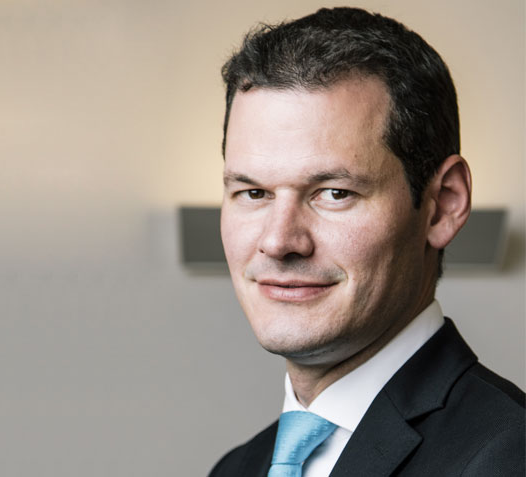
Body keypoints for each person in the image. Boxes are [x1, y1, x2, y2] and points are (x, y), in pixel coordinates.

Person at [209, 7, 524, 477]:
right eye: (254, 193)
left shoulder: (508, 456)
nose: (278, 241)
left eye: (334, 193)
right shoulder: (236, 469)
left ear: (443, 205)